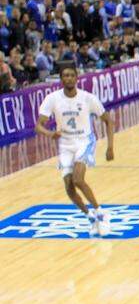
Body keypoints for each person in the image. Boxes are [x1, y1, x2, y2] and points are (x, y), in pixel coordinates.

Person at [33, 66, 115, 236]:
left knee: (78, 179)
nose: (68, 78)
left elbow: (108, 121)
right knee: (69, 187)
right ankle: (90, 217)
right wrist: (50, 133)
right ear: (61, 79)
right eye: (65, 76)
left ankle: (101, 213)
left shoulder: (88, 98)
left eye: (71, 75)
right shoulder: (52, 98)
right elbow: (38, 126)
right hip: (64, 143)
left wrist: (110, 147)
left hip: (84, 141)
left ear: (77, 78)